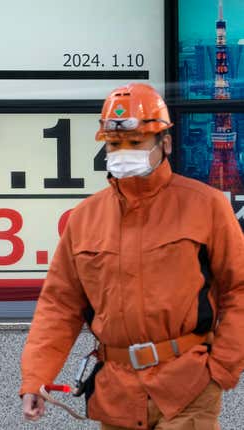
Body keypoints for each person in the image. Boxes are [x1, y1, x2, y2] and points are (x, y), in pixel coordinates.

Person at [19, 83, 244, 429]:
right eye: (115, 144)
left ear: (164, 143)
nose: (123, 152)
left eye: (135, 143)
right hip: (117, 393)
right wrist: (36, 377)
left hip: (187, 387)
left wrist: (223, 368)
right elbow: (59, 305)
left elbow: (238, 287)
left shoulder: (206, 206)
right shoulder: (84, 218)